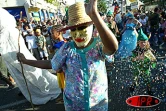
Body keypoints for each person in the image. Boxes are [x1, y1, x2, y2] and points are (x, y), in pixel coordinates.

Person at [17, 1, 118, 110]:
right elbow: (51, 63)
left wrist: (94, 15)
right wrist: (26, 61)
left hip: (97, 105)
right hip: (74, 105)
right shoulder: (67, 48)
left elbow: (112, 48)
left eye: (81, 27)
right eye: (73, 29)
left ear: (91, 25)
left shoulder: (98, 45)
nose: (77, 34)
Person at [130, 28, 157, 95]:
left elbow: (154, 62)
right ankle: (132, 88)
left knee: (147, 79)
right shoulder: (135, 51)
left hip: (146, 68)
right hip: (137, 67)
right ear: (138, 42)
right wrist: (137, 58)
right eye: (141, 42)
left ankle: (149, 90)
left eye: (145, 42)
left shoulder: (148, 51)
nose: (143, 44)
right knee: (135, 78)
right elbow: (131, 60)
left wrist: (152, 61)